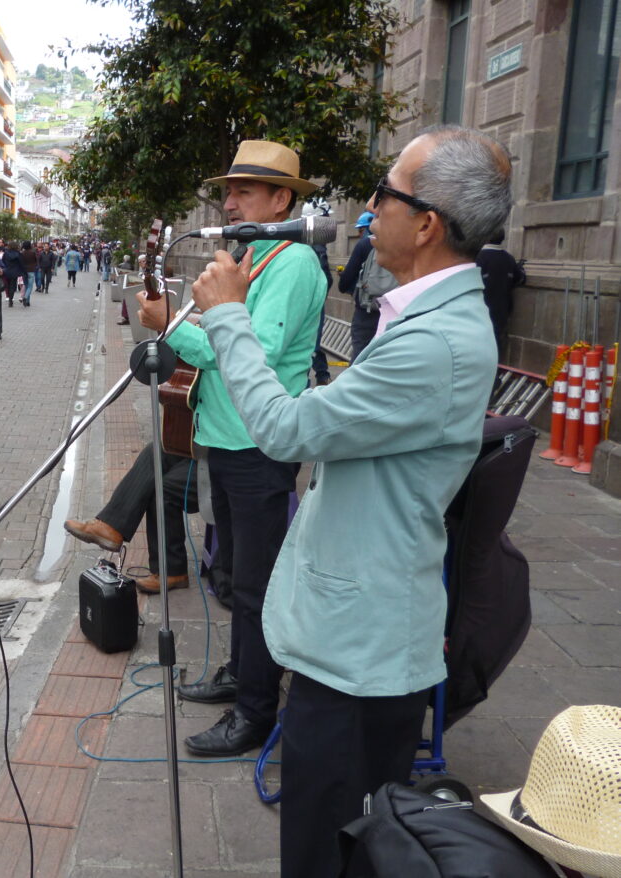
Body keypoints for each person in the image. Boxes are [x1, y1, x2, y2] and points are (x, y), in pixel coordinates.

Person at [188, 125, 511, 878]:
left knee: (323, 847)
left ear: (427, 223)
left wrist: (228, 316)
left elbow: (286, 429)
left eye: (385, 194)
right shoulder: (424, 317)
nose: (368, 210)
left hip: (359, 650)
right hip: (357, 635)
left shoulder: (437, 341)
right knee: (334, 835)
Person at [136, 140, 326, 760]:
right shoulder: (255, 258)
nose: (230, 200)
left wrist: (174, 325)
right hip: (230, 439)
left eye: (245, 190)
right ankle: (244, 676)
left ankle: (255, 711)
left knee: (257, 582)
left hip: (259, 447)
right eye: (230, 189)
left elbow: (250, 352)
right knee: (236, 575)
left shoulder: (293, 265)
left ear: (281, 200)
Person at [64, 444, 202, 593]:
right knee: (156, 451)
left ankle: (172, 570)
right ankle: (112, 527)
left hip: (223, 458)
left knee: (163, 488)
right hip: (206, 447)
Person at [337, 210, 396, 360]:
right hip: (393, 309)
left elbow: (346, 279)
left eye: (361, 229)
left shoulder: (364, 245)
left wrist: (348, 286)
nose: (358, 234)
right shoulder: (401, 243)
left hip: (367, 310)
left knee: (360, 356)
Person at [477, 229, 526, 356]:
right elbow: (520, 278)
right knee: (496, 346)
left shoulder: (478, 257)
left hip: (479, 310)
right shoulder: (508, 258)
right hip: (502, 311)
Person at [1, 240, 22, 307]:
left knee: (8, 285)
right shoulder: (18, 253)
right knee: (12, 286)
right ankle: (11, 299)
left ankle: (8, 296)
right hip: (14, 271)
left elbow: (2, 261)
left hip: (7, 271)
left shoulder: (6, 253)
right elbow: (20, 263)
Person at [19, 241, 38, 307]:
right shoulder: (33, 253)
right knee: (30, 287)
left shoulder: (22, 253)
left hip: (24, 271)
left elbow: (20, 262)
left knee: (26, 286)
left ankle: (27, 302)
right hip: (31, 271)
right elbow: (36, 261)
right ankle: (25, 298)